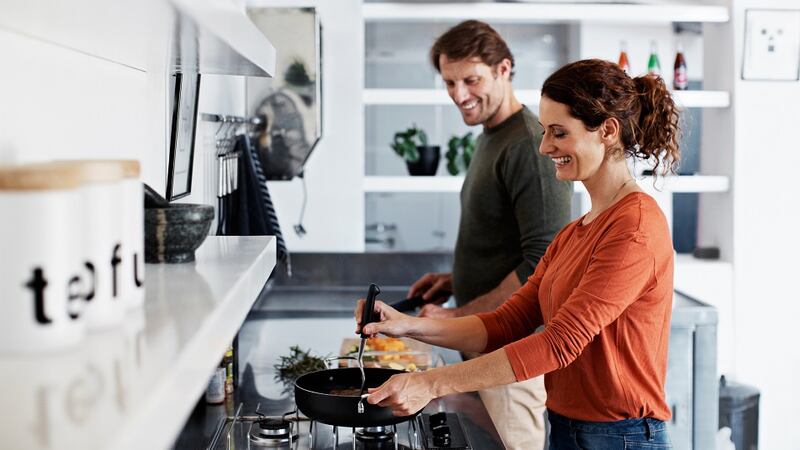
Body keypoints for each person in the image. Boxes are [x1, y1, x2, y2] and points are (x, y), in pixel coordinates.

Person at [356, 58, 680, 449]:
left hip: (621, 436)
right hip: (567, 427)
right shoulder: (575, 232)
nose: (544, 147)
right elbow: (505, 323)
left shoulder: (635, 228)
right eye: (545, 132)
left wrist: (431, 382)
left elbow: (559, 343)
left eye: (558, 133)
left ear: (607, 131)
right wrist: (404, 325)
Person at [403, 20, 572, 450]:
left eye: (471, 80)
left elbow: (541, 260)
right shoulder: (494, 137)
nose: (459, 94)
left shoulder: (531, 147)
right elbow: (505, 242)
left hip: (512, 357)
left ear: (504, 69)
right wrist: (456, 280)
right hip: (485, 350)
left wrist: (457, 317)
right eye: (450, 82)